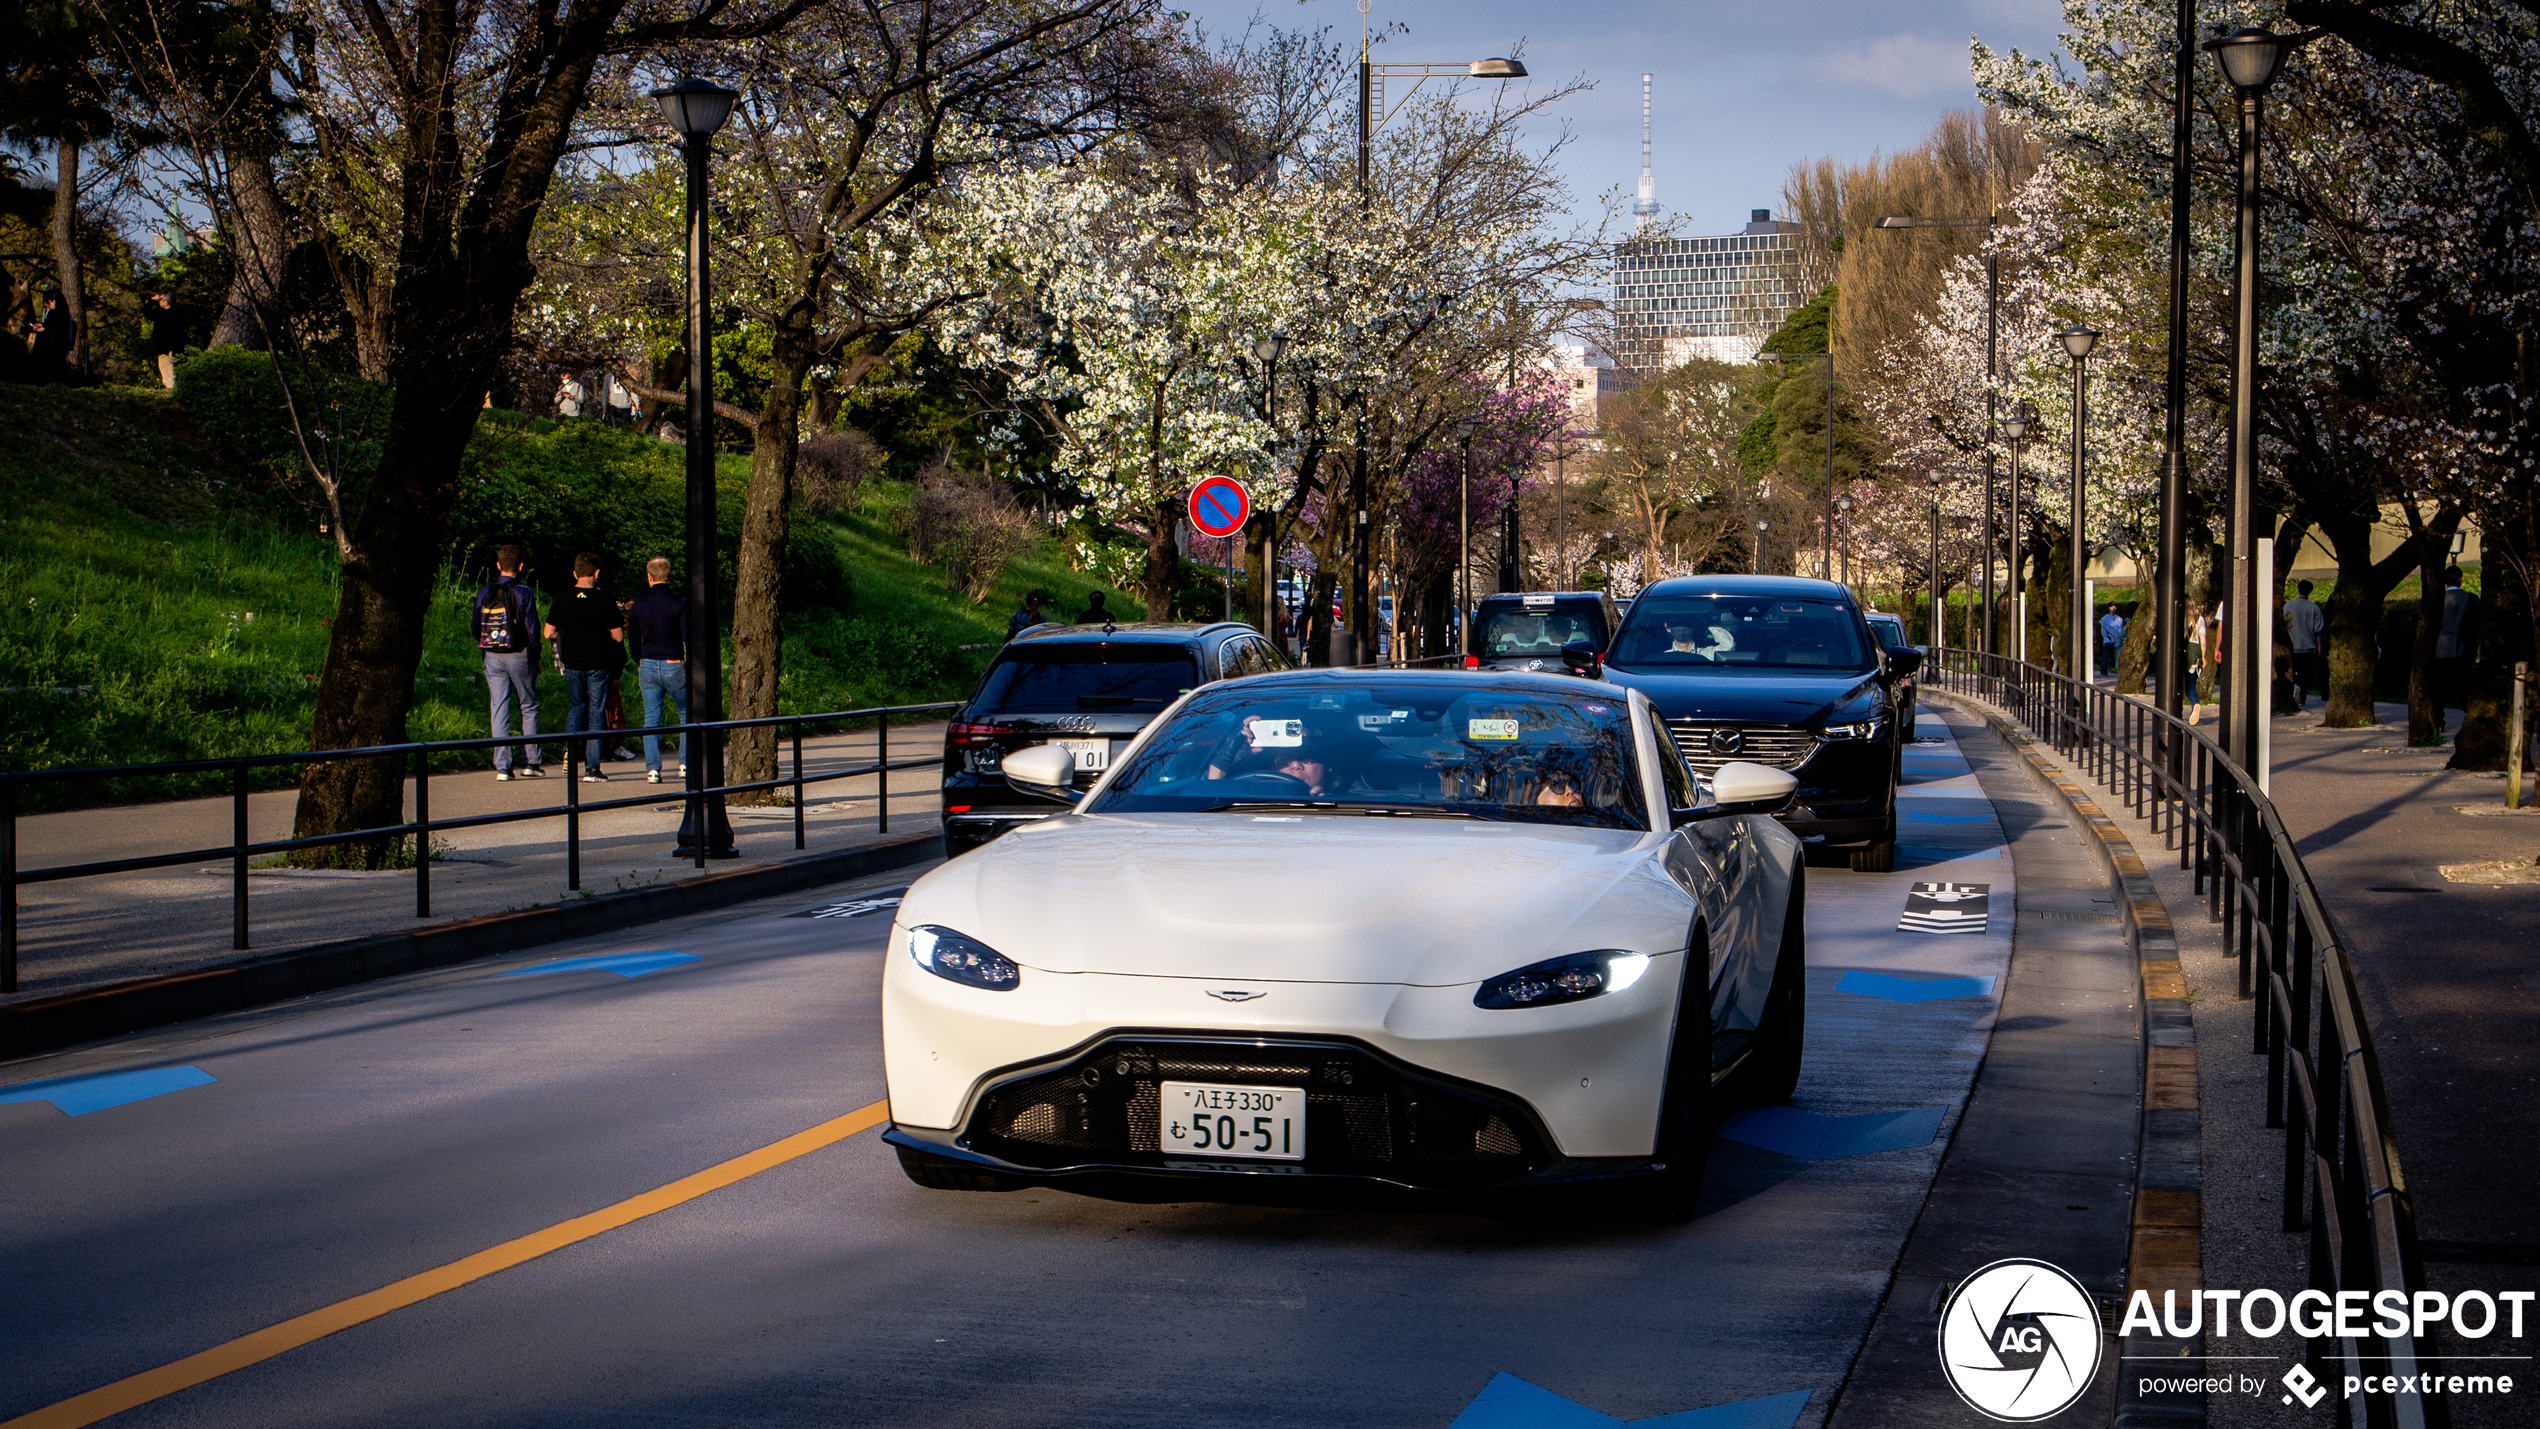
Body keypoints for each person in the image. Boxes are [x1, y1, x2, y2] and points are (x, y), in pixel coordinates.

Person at [542, 552, 625, 781]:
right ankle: (592, 768)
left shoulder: (562, 597)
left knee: (577, 707)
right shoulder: (604, 599)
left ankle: (569, 753)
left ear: (574, 573)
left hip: (573, 663)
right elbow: (618, 636)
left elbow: (548, 631)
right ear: (596, 573)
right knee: (596, 712)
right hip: (598, 662)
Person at [475, 545, 546, 780]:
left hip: (492, 655)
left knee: (499, 706)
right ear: (521, 566)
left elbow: (476, 625)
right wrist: (536, 656)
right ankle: (531, 762)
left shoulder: (485, 590)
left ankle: (503, 766)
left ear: (498, 565)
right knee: (528, 705)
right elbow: (532, 630)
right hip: (519, 653)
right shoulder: (524, 592)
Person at [628, 556, 689, 783]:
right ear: (669, 575)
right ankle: (684, 763)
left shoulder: (640, 604)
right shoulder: (680, 602)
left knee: (651, 718)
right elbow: (686, 636)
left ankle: (653, 769)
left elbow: (633, 637)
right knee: (685, 713)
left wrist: (639, 658)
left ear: (649, 576)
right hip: (673, 661)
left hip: (648, 662)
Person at [2434, 566, 2476, 714]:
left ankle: (2438, 719)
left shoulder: (2437, 600)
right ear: (2460, 579)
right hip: (2463, 648)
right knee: (2465, 687)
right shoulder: (2470, 598)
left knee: (2440, 689)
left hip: (2441, 649)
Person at [2284, 580, 2326, 707]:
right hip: (2308, 646)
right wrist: (2319, 645)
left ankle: (2295, 686)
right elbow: (2318, 629)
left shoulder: (2288, 606)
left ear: (2298, 590)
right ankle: (2302, 698)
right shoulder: (2314, 608)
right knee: (2305, 674)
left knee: (2293, 670)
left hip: (2293, 644)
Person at [146, 294, 183, 388]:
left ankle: (170, 388)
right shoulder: (178, 313)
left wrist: (152, 300)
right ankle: (170, 387)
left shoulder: (161, 314)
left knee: (167, 368)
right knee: (168, 367)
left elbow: (146, 312)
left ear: (165, 302)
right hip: (174, 347)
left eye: (161, 300)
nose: (160, 302)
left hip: (165, 348)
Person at [2098, 604, 2124, 677]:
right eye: (2112, 607)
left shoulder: (2119, 619)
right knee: (2105, 656)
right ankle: (2103, 672)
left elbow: (2120, 630)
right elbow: (2103, 631)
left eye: (2115, 607)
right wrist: (2106, 639)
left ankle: (2120, 671)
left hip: (2117, 640)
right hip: (2108, 640)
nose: (2113, 608)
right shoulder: (2105, 619)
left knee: (2119, 656)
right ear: (2109, 608)